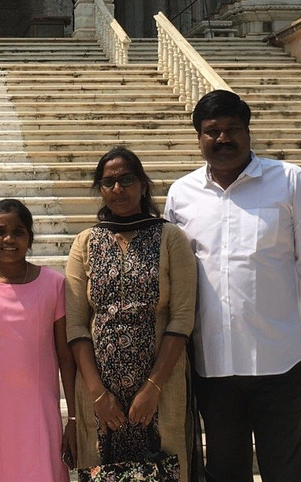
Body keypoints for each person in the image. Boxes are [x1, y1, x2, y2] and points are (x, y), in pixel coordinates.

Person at [164, 90, 301, 482]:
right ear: (199, 137)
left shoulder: (289, 181)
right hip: (213, 363)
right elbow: (174, 279)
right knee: (225, 472)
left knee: (285, 470)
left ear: (248, 132)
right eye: (212, 131)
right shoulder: (182, 194)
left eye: (233, 130)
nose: (223, 139)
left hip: (278, 360)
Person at [65, 147, 198, 482]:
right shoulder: (85, 242)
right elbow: (76, 323)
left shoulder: (170, 238)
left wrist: (153, 387)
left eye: (126, 179)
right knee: (100, 471)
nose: (118, 188)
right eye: (108, 182)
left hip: (161, 389)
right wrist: (98, 394)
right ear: (100, 188)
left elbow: (182, 318)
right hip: (99, 394)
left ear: (142, 184)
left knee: (166, 469)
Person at [0, 199, 76, 482]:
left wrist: (73, 419)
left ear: (30, 238)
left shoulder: (53, 284)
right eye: (0, 231)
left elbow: (65, 358)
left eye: (19, 231)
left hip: (39, 413)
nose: (9, 239)